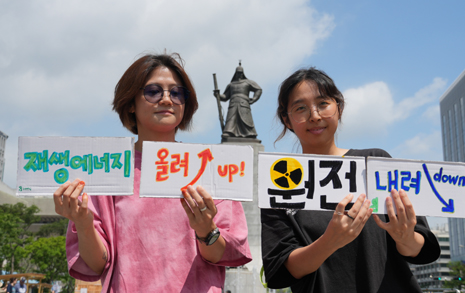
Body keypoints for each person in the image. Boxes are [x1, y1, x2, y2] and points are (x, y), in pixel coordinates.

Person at [53, 53, 252, 292]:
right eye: (153, 91)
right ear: (130, 104)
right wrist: (83, 223)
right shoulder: (108, 170)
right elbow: (98, 264)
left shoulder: (209, 168)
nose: (167, 100)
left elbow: (225, 253)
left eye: (176, 93)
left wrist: (206, 230)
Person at [261, 67, 441, 293]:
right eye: (300, 108)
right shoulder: (279, 182)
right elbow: (279, 270)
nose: (315, 116)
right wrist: (330, 241)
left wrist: (405, 238)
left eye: (323, 104)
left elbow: (423, 249)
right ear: (287, 120)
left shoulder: (375, 162)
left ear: (339, 107)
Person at [215, 62, 262, 139]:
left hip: (244, 103)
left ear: (243, 73)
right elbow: (225, 97)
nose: (239, 74)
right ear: (235, 73)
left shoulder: (248, 82)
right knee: (231, 119)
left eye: (241, 73)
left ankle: (249, 133)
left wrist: (254, 99)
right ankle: (229, 132)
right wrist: (218, 95)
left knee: (246, 119)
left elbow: (258, 89)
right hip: (233, 103)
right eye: (238, 73)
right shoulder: (231, 84)